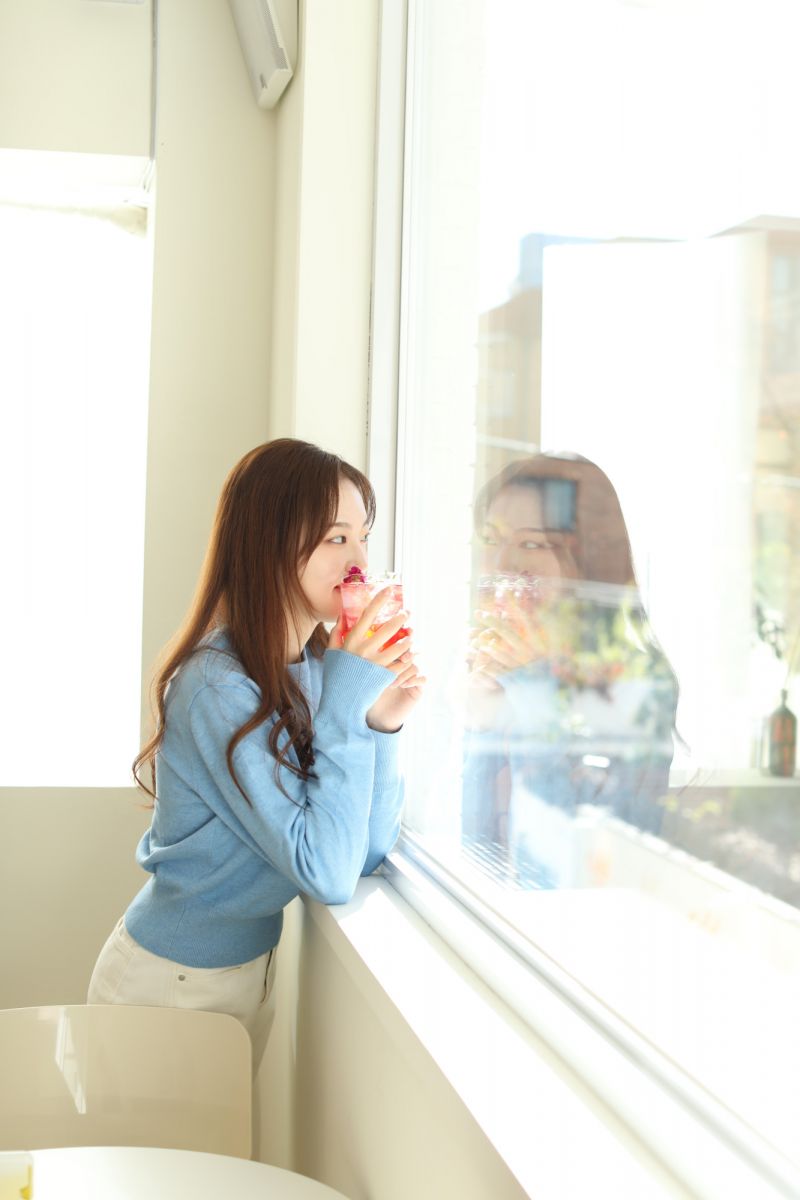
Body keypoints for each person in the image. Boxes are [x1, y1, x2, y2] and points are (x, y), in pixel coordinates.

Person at [88, 439, 425, 1071]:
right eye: (336, 537)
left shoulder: (315, 672)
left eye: (363, 537)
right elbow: (326, 876)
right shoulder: (215, 686)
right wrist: (348, 700)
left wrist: (380, 726)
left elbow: (362, 853)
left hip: (240, 975)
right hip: (169, 986)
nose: (359, 562)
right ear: (270, 542)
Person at [461, 451, 678, 887]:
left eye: (532, 543)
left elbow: (576, 870)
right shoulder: (488, 666)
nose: (501, 565)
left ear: (585, 561)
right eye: (491, 539)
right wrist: (481, 721)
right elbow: (466, 848)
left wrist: (532, 688)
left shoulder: (636, 682)